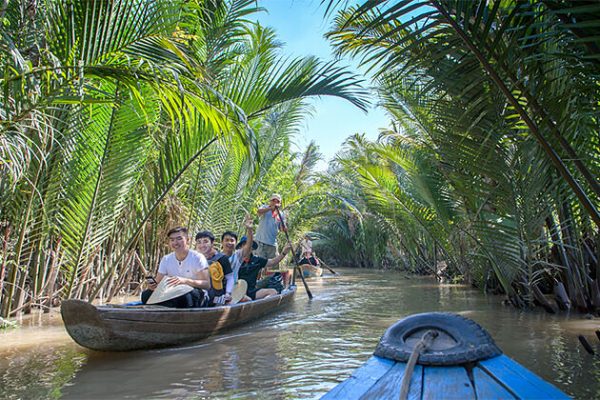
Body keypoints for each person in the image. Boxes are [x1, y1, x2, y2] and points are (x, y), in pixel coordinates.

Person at [141, 227, 210, 308]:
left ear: (188, 240)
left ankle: (168, 306)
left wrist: (184, 281)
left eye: (179, 239)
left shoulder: (198, 257)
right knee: (145, 295)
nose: (175, 243)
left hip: (194, 293)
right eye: (172, 240)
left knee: (185, 298)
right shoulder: (166, 259)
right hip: (172, 292)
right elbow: (158, 281)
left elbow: (206, 284)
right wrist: (152, 286)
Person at [195, 230, 234, 306]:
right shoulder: (195, 259)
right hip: (199, 296)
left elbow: (230, 277)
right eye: (199, 242)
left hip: (217, 297)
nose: (202, 245)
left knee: (228, 304)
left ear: (212, 243)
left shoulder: (222, 258)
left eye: (205, 241)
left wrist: (228, 293)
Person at [255, 193, 286, 259]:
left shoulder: (281, 214)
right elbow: (258, 212)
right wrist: (270, 208)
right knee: (260, 265)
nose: (275, 203)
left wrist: (284, 228)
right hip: (260, 242)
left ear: (279, 204)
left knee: (272, 266)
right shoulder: (264, 207)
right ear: (270, 201)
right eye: (273, 200)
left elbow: (281, 229)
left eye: (277, 201)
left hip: (272, 244)